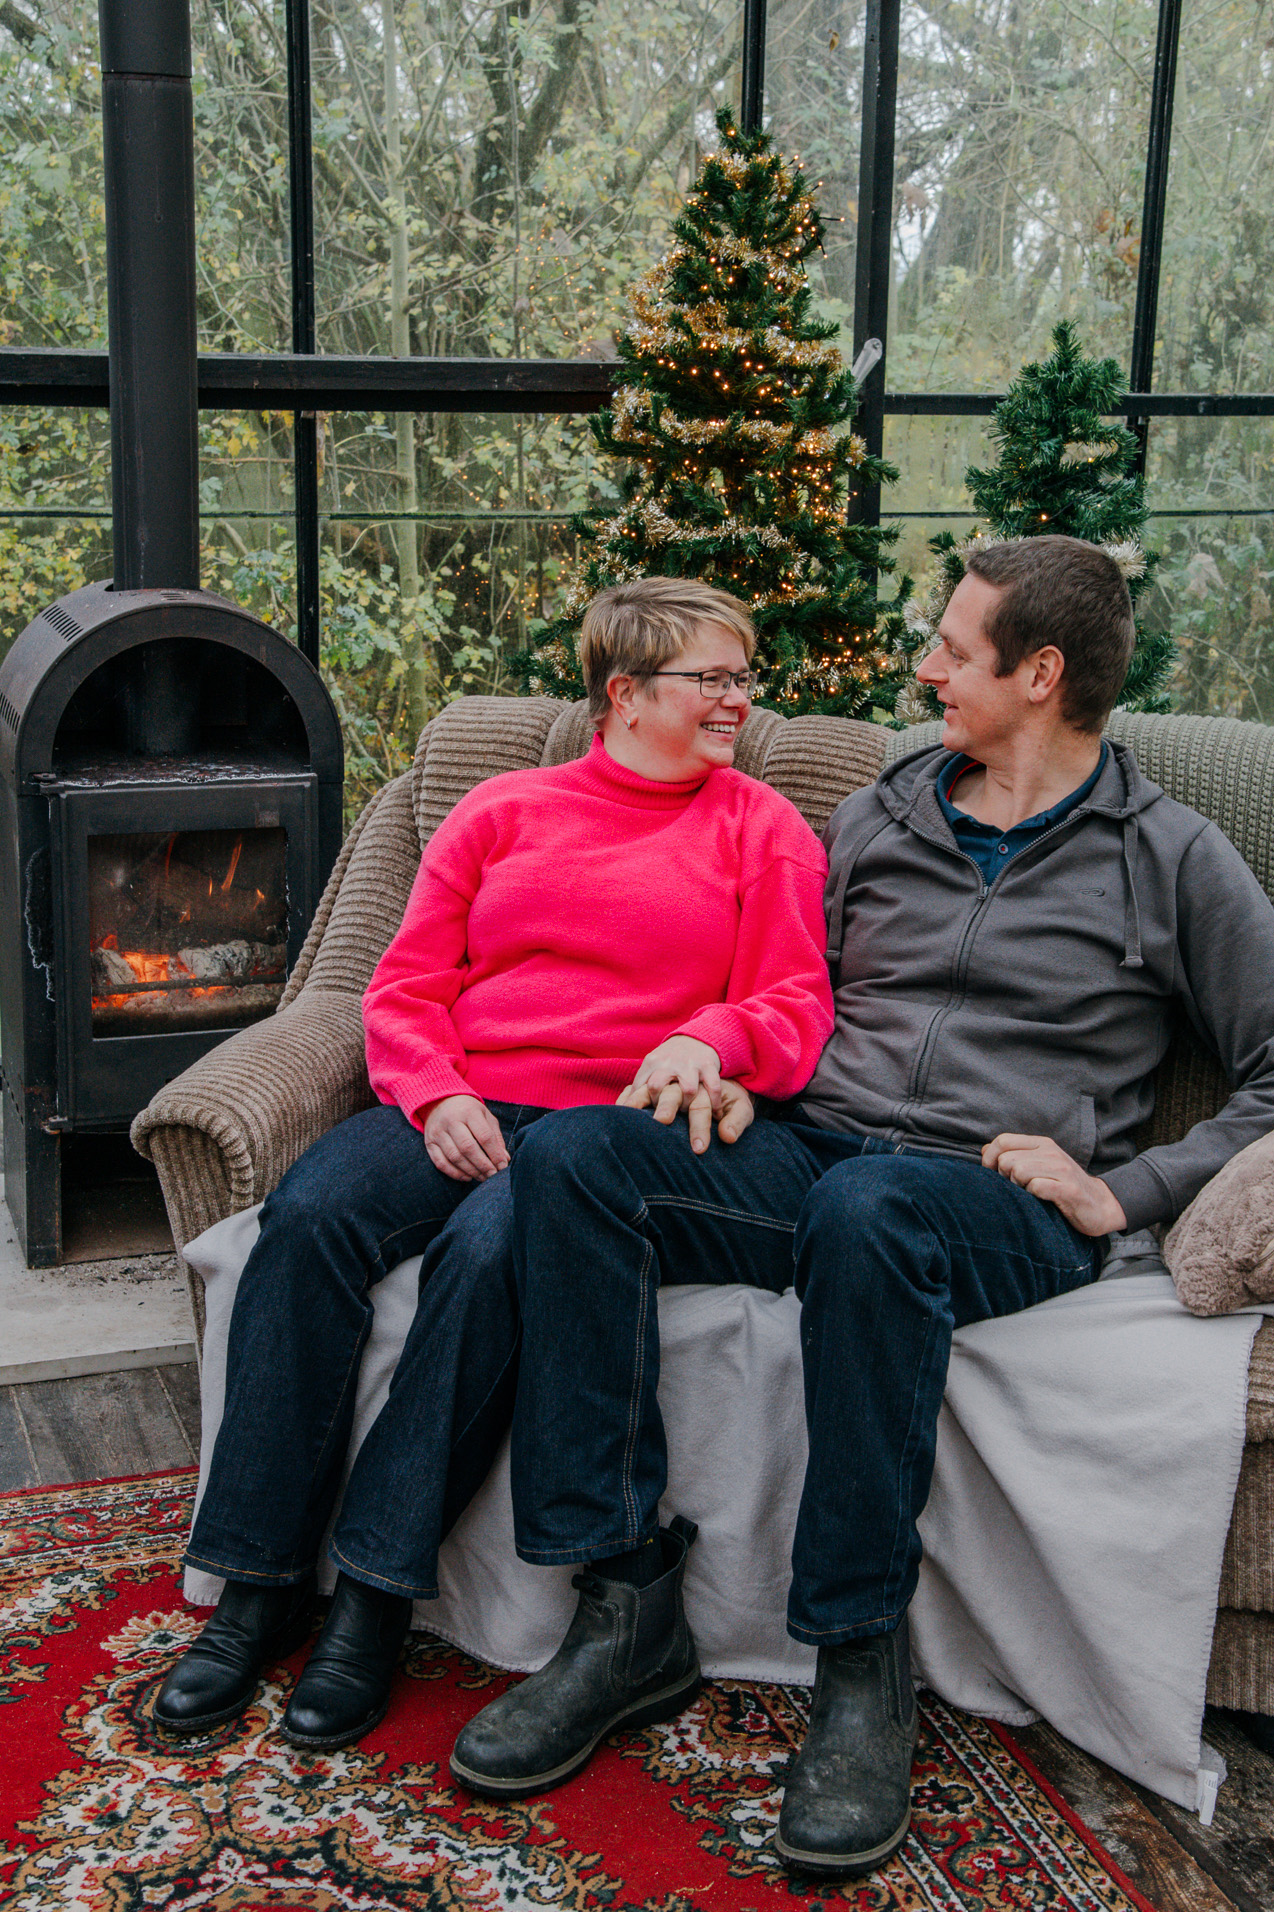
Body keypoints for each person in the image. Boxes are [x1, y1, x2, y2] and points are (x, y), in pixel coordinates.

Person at [450, 535, 1274, 1880]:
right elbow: (787, 989)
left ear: (1039, 674)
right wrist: (728, 1059)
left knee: (873, 1211)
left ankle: (860, 1656)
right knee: (582, 1153)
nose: (925, 668)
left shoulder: (1168, 856)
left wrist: (1125, 1188)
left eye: (952, 647)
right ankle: (625, 1602)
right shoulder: (886, 810)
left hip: (994, 1197)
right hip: (815, 1153)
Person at [152, 576, 833, 1751]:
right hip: (462, 1098)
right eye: (712, 678)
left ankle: (372, 1592)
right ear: (625, 692)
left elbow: (794, 1002)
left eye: (744, 676)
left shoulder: (761, 827)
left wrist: (713, 1036)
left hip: (601, 1137)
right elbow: (403, 987)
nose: (740, 699)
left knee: (483, 1259)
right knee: (307, 1215)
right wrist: (438, 1091)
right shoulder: (501, 809)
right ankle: (257, 1583)